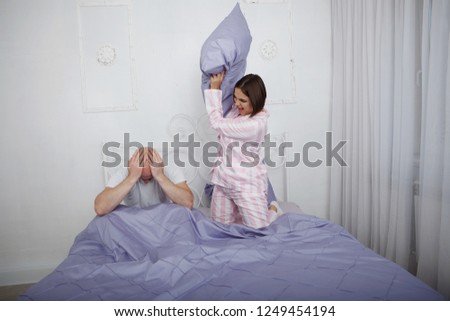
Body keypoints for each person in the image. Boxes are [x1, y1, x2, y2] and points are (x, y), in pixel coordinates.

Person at [204, 72, 283, 228]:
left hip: (246, 185)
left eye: (242, 100)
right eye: (235, 98)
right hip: (223, 182)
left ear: (255, 100)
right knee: (220, 231)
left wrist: (214, 89)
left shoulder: (255, 125)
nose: (236, 104)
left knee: (260, 232)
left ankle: (272, 209)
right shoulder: (237, 112)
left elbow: (216, 122)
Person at [94, 147, 194, 216]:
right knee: (103, 221)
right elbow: (100, 208)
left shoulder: (169, 169)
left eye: (150, 178)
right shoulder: (125, 171)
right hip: (134, 221)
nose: (146, 182)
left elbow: (188, 203)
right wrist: (132, 177)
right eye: (142, 178)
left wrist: (160, 176)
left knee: (186, 216)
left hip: (163, 220)